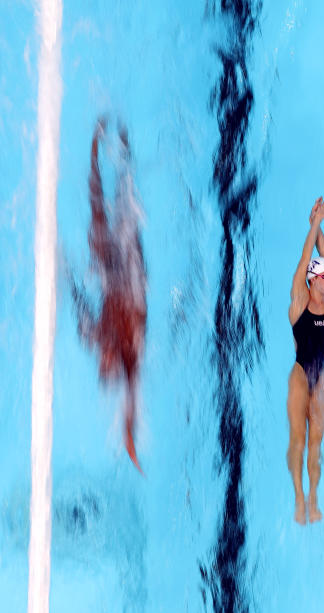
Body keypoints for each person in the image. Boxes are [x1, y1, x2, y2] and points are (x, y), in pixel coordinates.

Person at [70, 117, 147, 473]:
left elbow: (81, 307)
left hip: (111, 278)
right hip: (130, 278)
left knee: (97, 221)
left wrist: (65, 276)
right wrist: (129, 436)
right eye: (108, 358)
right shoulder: (130, 356)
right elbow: (131, 402)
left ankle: (94, 153)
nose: (106, 354)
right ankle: (124, 150)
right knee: (123, 210)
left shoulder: (95, 335)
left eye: (103, 357)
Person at [287, 196, 324, 524]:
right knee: (297, 438)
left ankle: (314, 498)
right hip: (299, 376)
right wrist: (314, 227)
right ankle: (298, 496)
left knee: (316, 444)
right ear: (311, 281)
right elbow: (307, 258)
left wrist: (319, 225)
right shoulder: (299, 302)